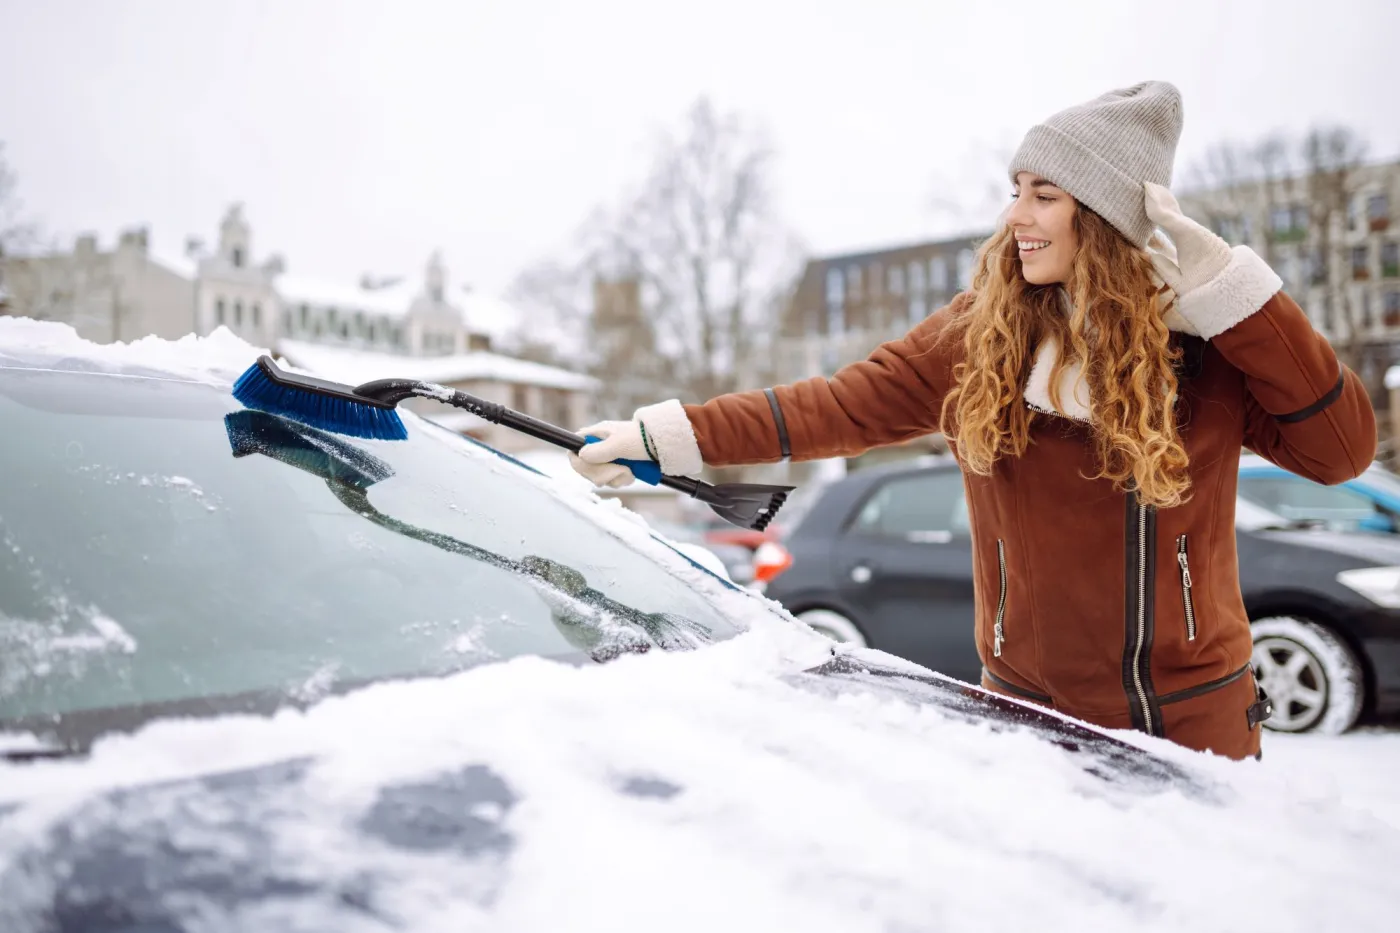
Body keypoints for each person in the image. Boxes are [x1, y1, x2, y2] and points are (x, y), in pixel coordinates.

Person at [568, 81, 1376, 761]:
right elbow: (839, 405)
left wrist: (1236, 294)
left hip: (1191, 721)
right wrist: (670, 434)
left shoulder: (1205, 348)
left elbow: (1341, 450)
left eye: (1044, 195)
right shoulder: (980, 338)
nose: (1016, 215)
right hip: (1027, 717)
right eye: (1016, 189)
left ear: (1102, 218)